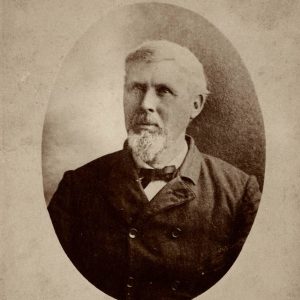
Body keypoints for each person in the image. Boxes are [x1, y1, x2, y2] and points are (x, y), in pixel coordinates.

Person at [48, 40, 261, 300]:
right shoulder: (77, 187)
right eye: (136, 88)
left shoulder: (238, 195)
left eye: (163, 91)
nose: (145, 103)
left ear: (196, 105)